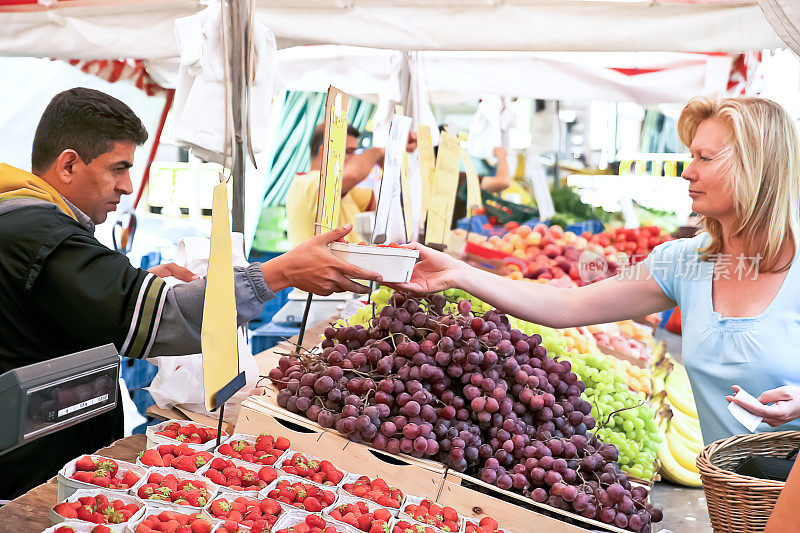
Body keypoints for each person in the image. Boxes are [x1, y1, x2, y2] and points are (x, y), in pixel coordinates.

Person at [0, 88, 381, 498]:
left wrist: (132, 284)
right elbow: (163, 318)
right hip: (26, 472)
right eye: (118, 168)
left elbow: (63, 309)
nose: (128, 186)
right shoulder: (43, 234)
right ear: (69, 164)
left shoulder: (35, 224)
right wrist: (276, 273)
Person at [395, 96, 800, 445]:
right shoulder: (685, 263)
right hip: (738, 500)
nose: (686, 172)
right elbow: (567, 306)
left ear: (757, 168)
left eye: (705, 158)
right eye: (690, 156)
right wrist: (458, 272)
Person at [285, 124, 382, 247]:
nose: (354, 158)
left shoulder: (346, 189)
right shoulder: (308, 183)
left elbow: (382, 204)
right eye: (348, 152)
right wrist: (378, 152)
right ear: (324, 152)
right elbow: (354, 174)